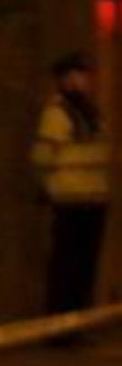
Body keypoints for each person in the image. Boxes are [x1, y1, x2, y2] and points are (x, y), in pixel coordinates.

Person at [31, 49, 111, 334]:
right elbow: (42, 156)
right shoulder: (57, 113)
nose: (84, 81)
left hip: (93, 201)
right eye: (77, 75)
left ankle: (76, 326)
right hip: (69, 202)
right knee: (66, 268)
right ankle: (59, 328)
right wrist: (46, 188)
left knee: (83, 270)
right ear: (64, 80)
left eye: (86, 75)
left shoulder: (91, 113)